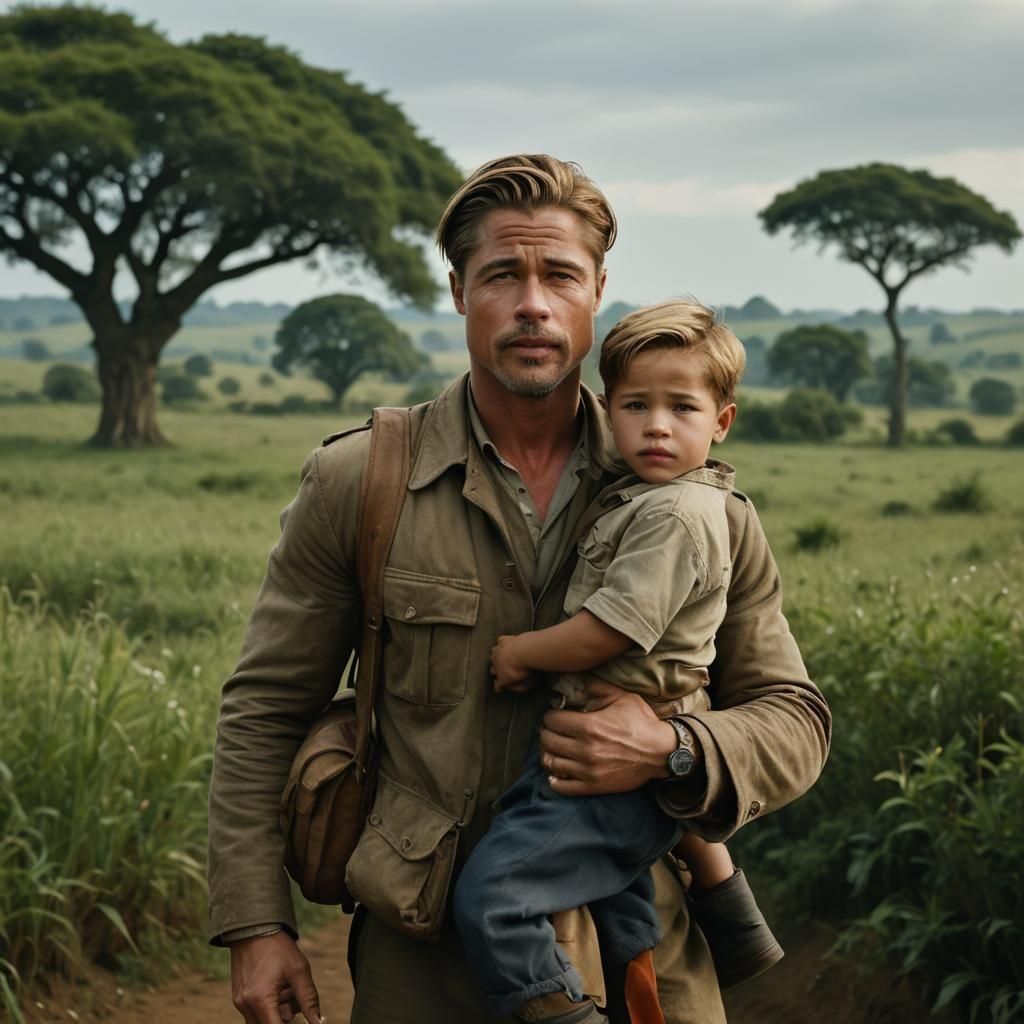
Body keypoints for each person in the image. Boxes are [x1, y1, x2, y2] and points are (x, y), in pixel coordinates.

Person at [207, 154, 832, 1024]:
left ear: (597, 290)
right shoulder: (362, 481)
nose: (533, 303)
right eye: (502, 274)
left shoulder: (697, 504)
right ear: (460, 290)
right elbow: (267, 707)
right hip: (425, 966)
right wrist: (254, 921)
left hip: (642, 952)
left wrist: (673, 750)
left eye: (560, 275)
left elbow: (792, 719)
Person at [453, 299, 782, 1022]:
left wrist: (523, 654)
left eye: (681, 408)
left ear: (720, 421)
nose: (656, 425)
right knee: (620, 890)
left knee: (492, 901)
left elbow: (609, 631)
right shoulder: (639, 496)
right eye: (636, 405)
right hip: (601, 773)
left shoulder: (675, 514)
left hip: (615, 775)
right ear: (608, 409)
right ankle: (726, 946)